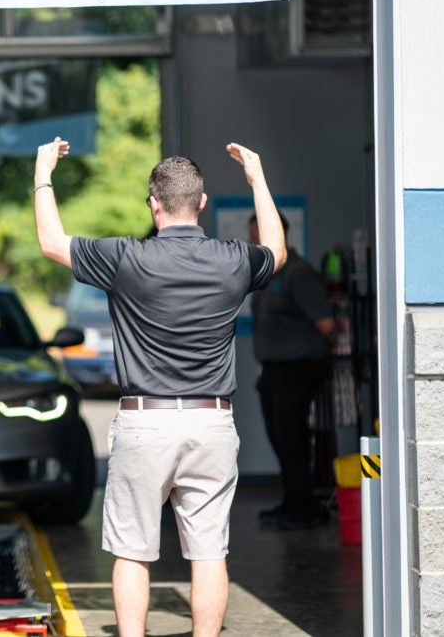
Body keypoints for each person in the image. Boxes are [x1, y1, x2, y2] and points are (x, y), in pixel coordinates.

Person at [33, 137, 286, 636]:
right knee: (210, 550)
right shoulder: (232, 260)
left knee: (132, 551)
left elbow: (50, 242)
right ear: (203, 203)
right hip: (212, 422)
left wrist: (44, 173)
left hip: (144, 422)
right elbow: (277, 252)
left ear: (153, 206)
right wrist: (258, 179)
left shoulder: (126, 258)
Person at [249, 212, 336, 529]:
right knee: (280, 439)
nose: (250, 242)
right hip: (274, 371)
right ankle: (293, 502)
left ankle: (304, 510)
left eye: (255, 234)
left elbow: (326, 325)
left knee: (292, 439)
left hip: (297, 370)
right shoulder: (266, 276)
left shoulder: (298, 273)